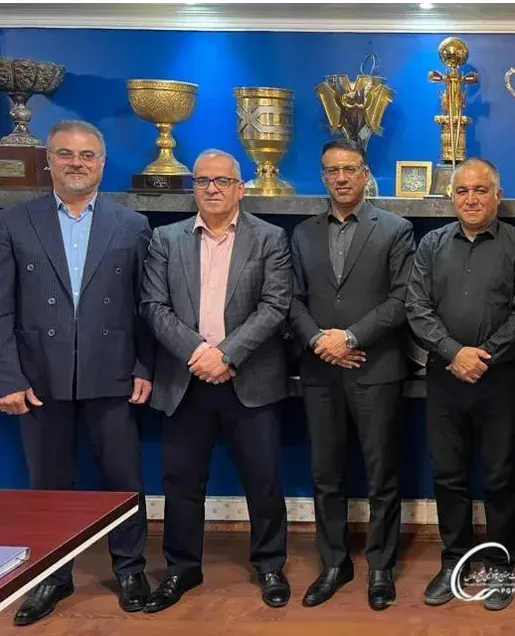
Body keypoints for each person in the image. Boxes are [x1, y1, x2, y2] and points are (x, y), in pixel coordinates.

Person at [0, 119, 154, 626]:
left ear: (102, 163)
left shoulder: (131, 224)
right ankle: (51, 576)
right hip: (38, 377)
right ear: (49, 161)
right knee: (48, 485)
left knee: (123, 480)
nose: (76, 163)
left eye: (87, 155)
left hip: (113, 373)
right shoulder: (13, 222)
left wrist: (143, 365)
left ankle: (130, 570)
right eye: (66, 154)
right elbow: (1, 309)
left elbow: (145, 306)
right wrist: (7, 377)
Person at [139, 148, 292, 612]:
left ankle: (270, 565)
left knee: (264, 481)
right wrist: (198, 354)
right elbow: (153, 306)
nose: (211, 188)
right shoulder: (166, 239)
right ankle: (182, 568)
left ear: (240, 189)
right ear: (194, 188)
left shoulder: (270, 238)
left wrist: (226, 354)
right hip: (186, 380)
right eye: (203, 180)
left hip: (249, 379)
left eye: (222, 181)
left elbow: (275, 305)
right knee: (181, 483)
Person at [288, 138, 416, 611]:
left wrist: (351, 338)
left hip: (375, 368)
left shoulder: (396, 229)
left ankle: (381, 566)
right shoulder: (302, 233)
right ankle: (334, 563)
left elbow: (402, 299)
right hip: (319, 371)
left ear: (365, 174)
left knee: (383, 475)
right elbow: (290, 299)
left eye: (349, 169)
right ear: (323, 177)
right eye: (331, 171)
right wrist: (320, 342)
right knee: (325, 474)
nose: (341, 178)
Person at [405, 158, 515, 610]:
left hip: (499, 379)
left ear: (498, 195)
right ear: (452, 197)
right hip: (445, 376)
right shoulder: (431, 244)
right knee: (448, 474)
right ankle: (454, 560)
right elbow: (416, 306)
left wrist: (483, 356)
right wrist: (453, 352)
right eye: (462, 191)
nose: (471, 199)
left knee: (500, 475)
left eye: (481, 190)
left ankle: (499, 566)